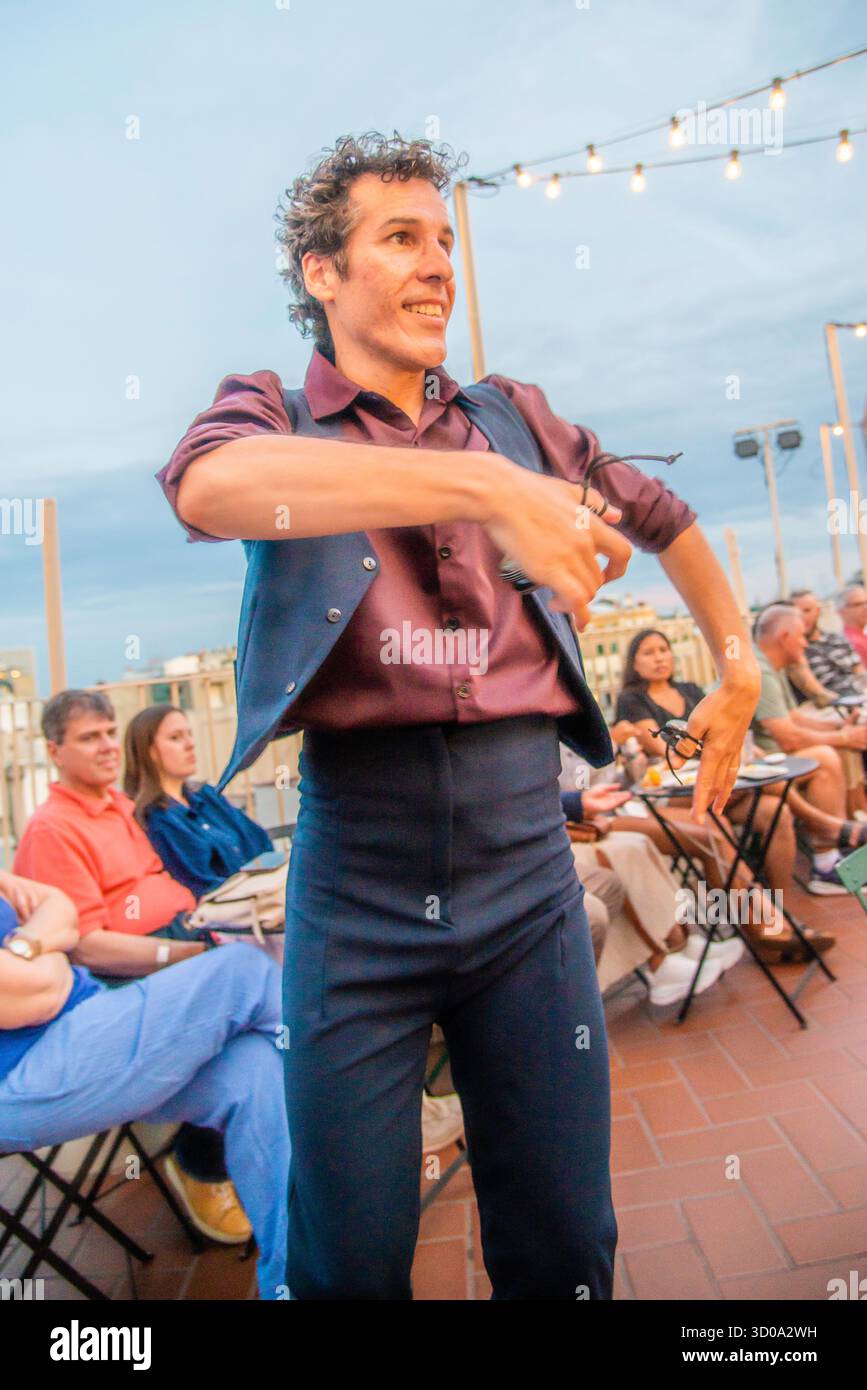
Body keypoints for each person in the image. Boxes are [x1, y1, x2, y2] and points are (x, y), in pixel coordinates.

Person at [157, 132, 760, 1300]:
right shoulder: (274, 412)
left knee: (566, 1245)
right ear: (321, 271)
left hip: (527, 867)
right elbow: (212, 487)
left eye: (445, 240)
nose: (440, 265)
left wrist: (736, 669)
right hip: (353, 885)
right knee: (349, 1264)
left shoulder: (514, 416)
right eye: (401, 238)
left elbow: (667, 518)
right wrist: (483, 486)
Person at [13, 689, 252, 1246]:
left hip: (181, 935)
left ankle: (282, 1146)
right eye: (87, 738)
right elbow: (86, 945)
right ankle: (201, 1164)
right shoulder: (53, 829)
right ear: (54, 752)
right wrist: (184, 953)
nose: (105, 746)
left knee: (279, 956)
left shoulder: (120, 805)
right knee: (244, 993)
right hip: (123, 972)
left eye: (107, 733)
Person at [0, 868, 289, 1299]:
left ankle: (295, 1282)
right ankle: (361, 1127)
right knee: (246, 970)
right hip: (20, 1075)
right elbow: (41, 988)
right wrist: (45, 945)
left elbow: (62, 911)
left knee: (252, 1069)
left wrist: (27, 947)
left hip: (81, 1018)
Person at [751, 604, 867, 893]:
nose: (805, 643)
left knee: (838, 746)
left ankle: (848, 832)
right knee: (825, 756)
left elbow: (794, 719)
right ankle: (827, 862)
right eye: (802, 636)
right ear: (785, 637)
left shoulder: (770, 665)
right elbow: (788, 738)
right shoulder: (760, 671)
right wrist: (844, 737)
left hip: (770, 760)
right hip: (759, 765)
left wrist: (839, 730)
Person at [124, 704, 273, 899]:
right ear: (149, 751)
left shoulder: (208, 796)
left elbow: (261, 843)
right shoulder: (155, 818)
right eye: (175, 738)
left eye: (189, 734)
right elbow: (198, 884)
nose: (190, 744)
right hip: (229, 908)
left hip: (264, 894)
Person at [790, 589, 866, 701]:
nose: (802, 617)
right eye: (796, 613)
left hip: (859, 697)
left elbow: (860, 674)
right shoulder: (794, 650)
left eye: (807, 610)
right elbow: (816, 694)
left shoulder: (838, 639)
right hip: (832, 705)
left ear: (818, 611)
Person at [838, 585, 867, 668]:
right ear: (842, 611)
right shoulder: (848, 643)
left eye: (866, 603)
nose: (865, 607)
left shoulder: (862, 636)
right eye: (857, 604)